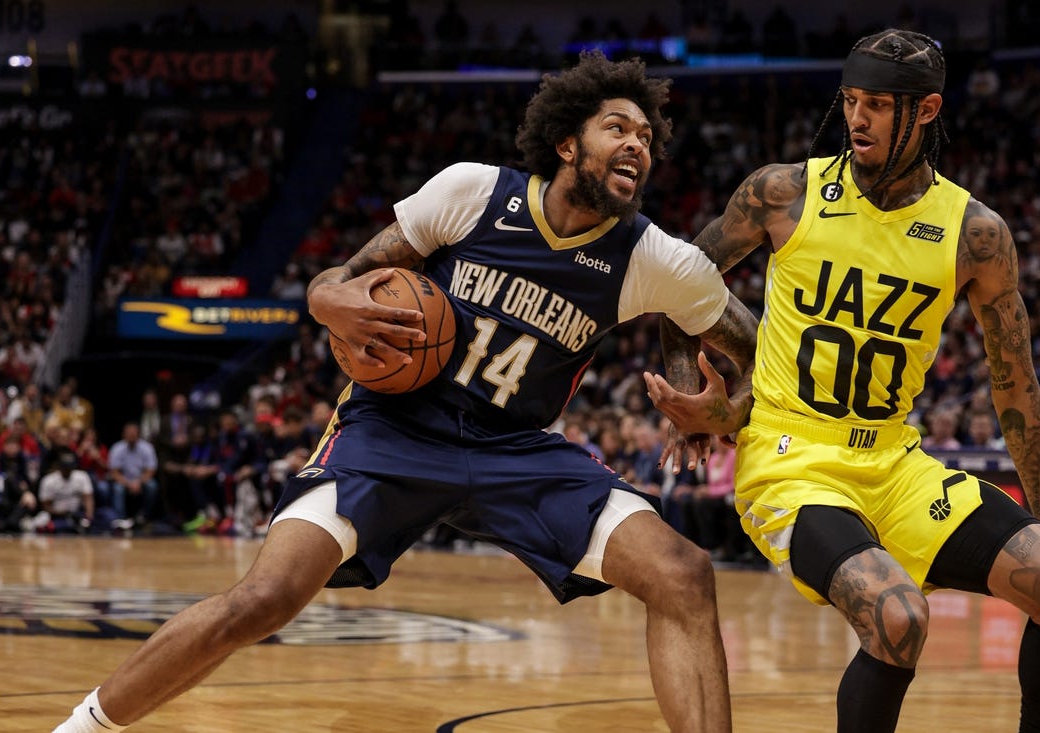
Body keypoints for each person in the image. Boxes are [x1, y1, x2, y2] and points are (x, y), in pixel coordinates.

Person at [51, 51, 758, 733]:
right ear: (569, 143)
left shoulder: (653, 257)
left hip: (518, 449)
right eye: (618, 128)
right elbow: (334, 280)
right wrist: (333, 305)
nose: (637, 143)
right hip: (391, 428)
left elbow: (760, 348)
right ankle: (80, 726)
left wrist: (725, 409)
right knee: (265, 597)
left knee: (683, 572)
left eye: (645, 136)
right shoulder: (473, 193)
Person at [644, 29, 1040, 733]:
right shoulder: (783, 193)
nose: (857, 118)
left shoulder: (974, 234)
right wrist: (690, 390)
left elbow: (1015, 389)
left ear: (926, 111)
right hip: (790, 461)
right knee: (898, 614)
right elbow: (680, 280)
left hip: (895, 463)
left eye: (878, 105)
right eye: (852, 100)